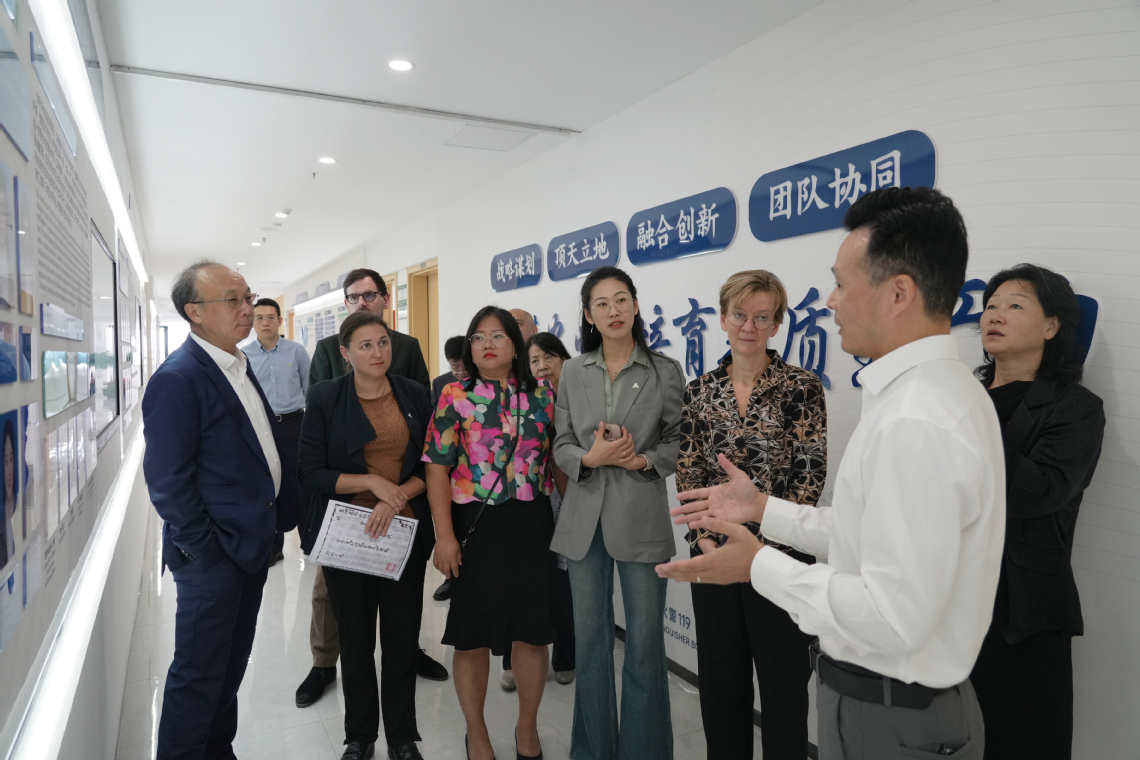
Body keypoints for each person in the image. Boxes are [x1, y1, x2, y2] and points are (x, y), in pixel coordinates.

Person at [659, 187, 1006, 760]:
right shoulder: (927, 397)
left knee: (781, 698)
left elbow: (894, 616)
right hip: (889, 702)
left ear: (898, 293)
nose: (830, 300)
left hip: (894, 711)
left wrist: (759, 561)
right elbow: (859, 530)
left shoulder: (917, 419)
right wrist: (761, 509)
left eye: (842, 284)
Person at [142, 261, 300, 760]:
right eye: (233, 300)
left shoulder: (236, 362)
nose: (247, 309)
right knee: (198, 678)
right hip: (214, 558)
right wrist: (209, 553)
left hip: (250, 545)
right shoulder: (179, 378)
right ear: (194, 312)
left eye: (248, 297)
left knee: (228, 669)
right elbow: (167, 482)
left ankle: (217, 750)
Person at [677, 270, 826, 760]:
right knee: (722, 688)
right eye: (740, 315)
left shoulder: (801, 387)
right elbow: (689, 471)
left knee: (784, 693)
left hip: (780, 559)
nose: (749, 326)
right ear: (722, 319)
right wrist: (702, 539)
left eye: (762, 317)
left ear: (777, 324)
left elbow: (809, 476)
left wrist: (764, 547)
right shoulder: (699, 391)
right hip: (715, 555)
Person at [969, 264, 1105, 759]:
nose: (994, 315)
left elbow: (1039, 492)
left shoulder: (1077, 408)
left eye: (1014, 305)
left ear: (1052, 325)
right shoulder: (961, 397)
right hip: (949, 598)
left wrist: (971, 422)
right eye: (990, 306)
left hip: (1024, 611)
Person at [552, 265, 685, 760]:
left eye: (622, 299)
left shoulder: (663, 370)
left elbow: (678, 442)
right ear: (588, 315)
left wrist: (641, 461)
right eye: (602, 303)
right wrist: (588, 459)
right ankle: (592, 752)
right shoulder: (573, 371)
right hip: (584, 520)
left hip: (641, 517)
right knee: (590, 646)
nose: (614, 310)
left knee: (645, 647)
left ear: (635, 305)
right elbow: (561, 442)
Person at [298, 267, 446, 709]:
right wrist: (371, 484)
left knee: (401, 632)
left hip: (403, 521)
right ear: (346, 352)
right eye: (365, 345)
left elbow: (429, 454)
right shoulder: (327, 388)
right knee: (351, 631)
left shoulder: (410, 379)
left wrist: (396, 496)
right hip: (347, 524)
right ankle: (345, 709)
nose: (378, 352)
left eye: (383, 343)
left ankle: (403, 731)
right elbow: (311, 468)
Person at [422, 306, 557, 760]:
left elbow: (557, 460)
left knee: (532, 633)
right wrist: (444, 536)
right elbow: (436, 469)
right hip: (474, 526)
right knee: (472, 635)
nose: (487, 344)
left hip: (532, 522)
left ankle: (526, 730)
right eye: (478, 337)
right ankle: (476, 733)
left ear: (516, 345)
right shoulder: (454, 395)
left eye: (498, 335)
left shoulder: (543, 394)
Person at [501, 332, 576, 692]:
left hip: (574, 498)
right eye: (535, 360)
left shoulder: (581, 398)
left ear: (564, 359)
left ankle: (566, 657)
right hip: (535, 500)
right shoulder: (526, 399)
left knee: (564, 586)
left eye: (549, 357)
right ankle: (510, 659)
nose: (542, 366)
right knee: (522, 582)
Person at [243, 297, 310, 565]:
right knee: (268, 484)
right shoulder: (243, 355)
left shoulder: (297, 352)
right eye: (259, 318)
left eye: (270, 317)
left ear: (280, 321)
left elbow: (310, 390)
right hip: (261, 426)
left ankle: (309, 542)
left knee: (301, 482)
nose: (265, 322)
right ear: (252, 322)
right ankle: (273, 547)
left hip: (295, 424)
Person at [431, 335, 468, 405]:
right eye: (455, 366)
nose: (461, 372)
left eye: (465, 366)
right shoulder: (439, 383)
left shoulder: (485, 380)